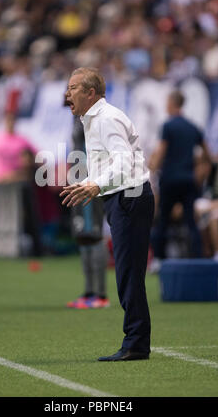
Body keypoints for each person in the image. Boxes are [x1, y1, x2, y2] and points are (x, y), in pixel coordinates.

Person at [60, 67, 154, 361]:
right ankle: (136, 341)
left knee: (129, 274)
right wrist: (94, 184)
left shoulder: (107, 119)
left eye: (74, 88)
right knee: (128, 273)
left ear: (91, 93)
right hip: (121, 197)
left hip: (130, 197)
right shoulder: (93, 119)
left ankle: (136, 344)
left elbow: (124, 162)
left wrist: (95, 184)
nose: (67, 93)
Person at [149, 90, 211, 272]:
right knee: (191, 222)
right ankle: (199, 260)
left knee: (163, 221)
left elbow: (161, 151)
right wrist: (200, 174)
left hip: (169, 179)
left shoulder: (168, 126)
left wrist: (151, 170)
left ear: (172, 103)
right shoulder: (193, 127)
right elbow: (207, 155)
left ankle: (159, 260)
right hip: (189, 180)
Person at [66, 115, 110, 309]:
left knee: (94, 233)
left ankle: (101, 295)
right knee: (83, 234)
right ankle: (89, 291)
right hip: (79, 180)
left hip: (89, 182)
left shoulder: (92, 118)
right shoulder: (78, 119)